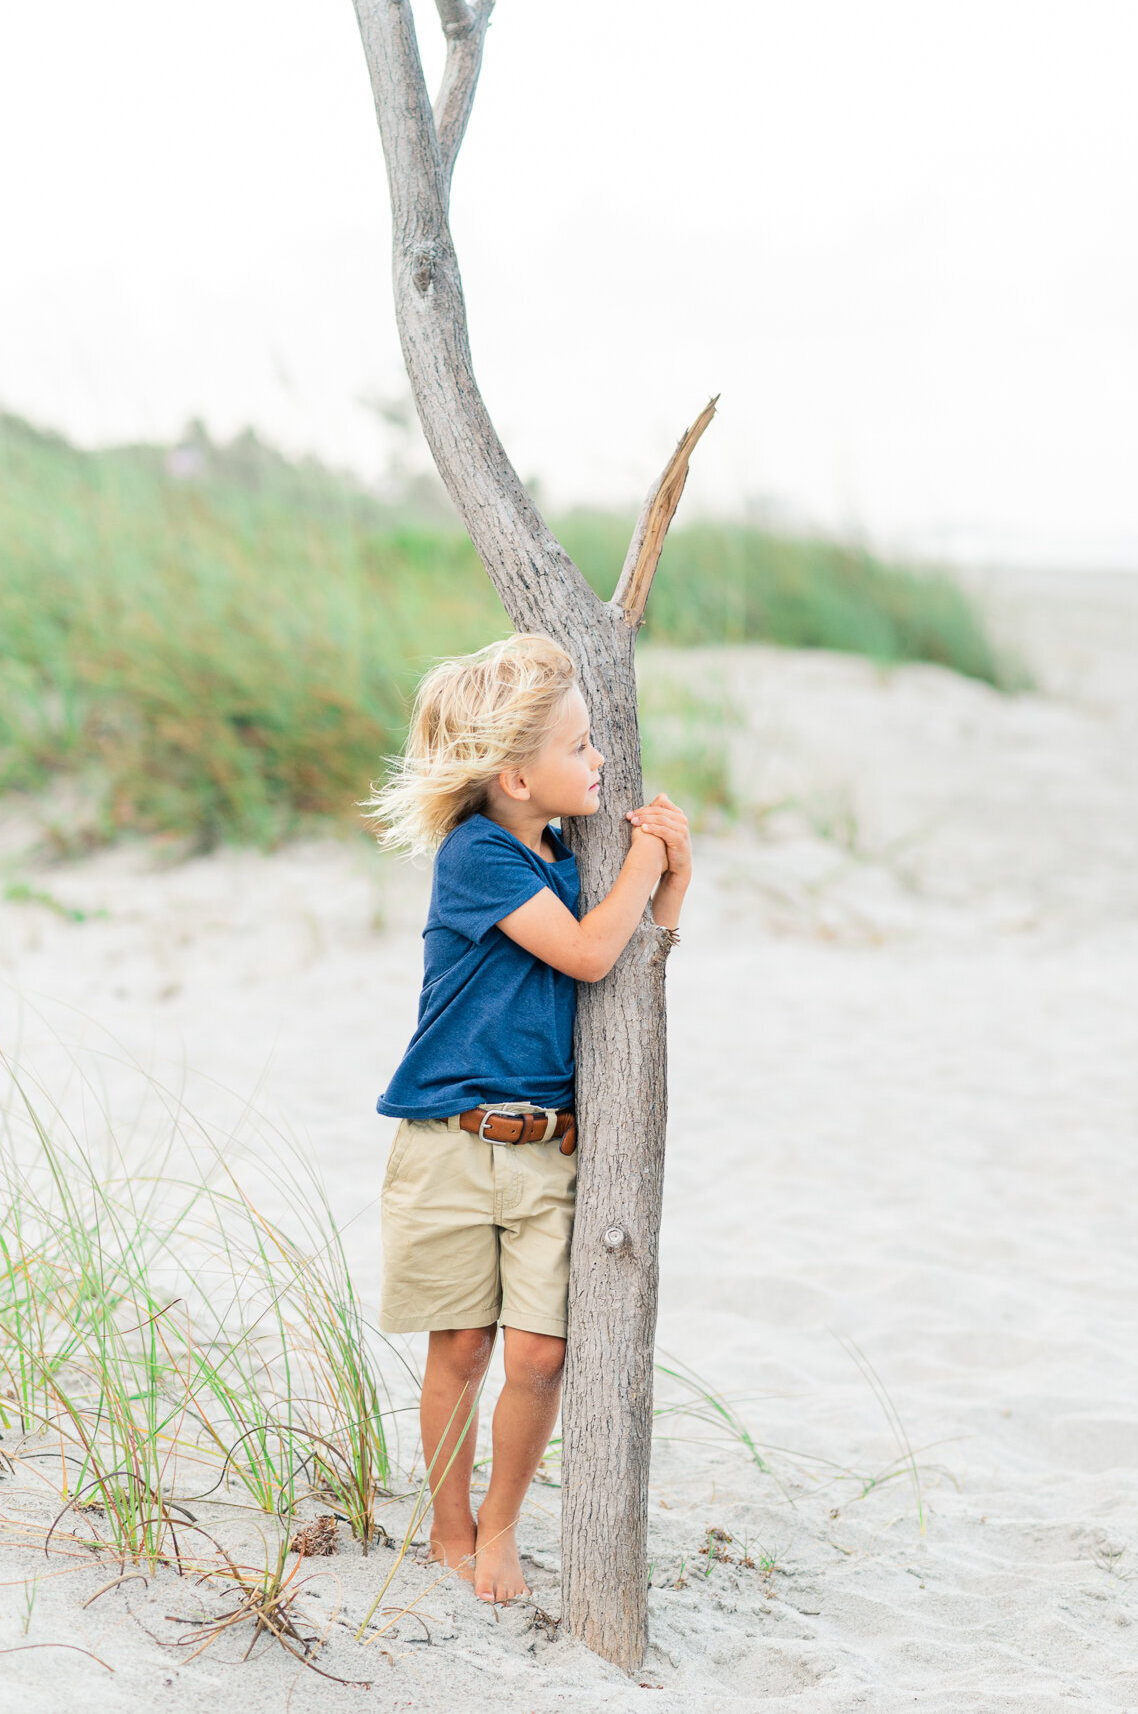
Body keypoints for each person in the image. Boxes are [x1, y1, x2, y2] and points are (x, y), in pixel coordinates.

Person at [370, 631, 691, 1604]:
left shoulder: (562, 853)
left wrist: (671, 881)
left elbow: (629, 966)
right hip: (453, 1139)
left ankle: (503, 1522)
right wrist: (641, 864)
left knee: (542, 1352)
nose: (600, 763)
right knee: (460, 1344)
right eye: (581, 748)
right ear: (515, 775)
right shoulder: (477, 856)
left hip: (549, 1147)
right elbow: (593, 954)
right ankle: (453, 1525)